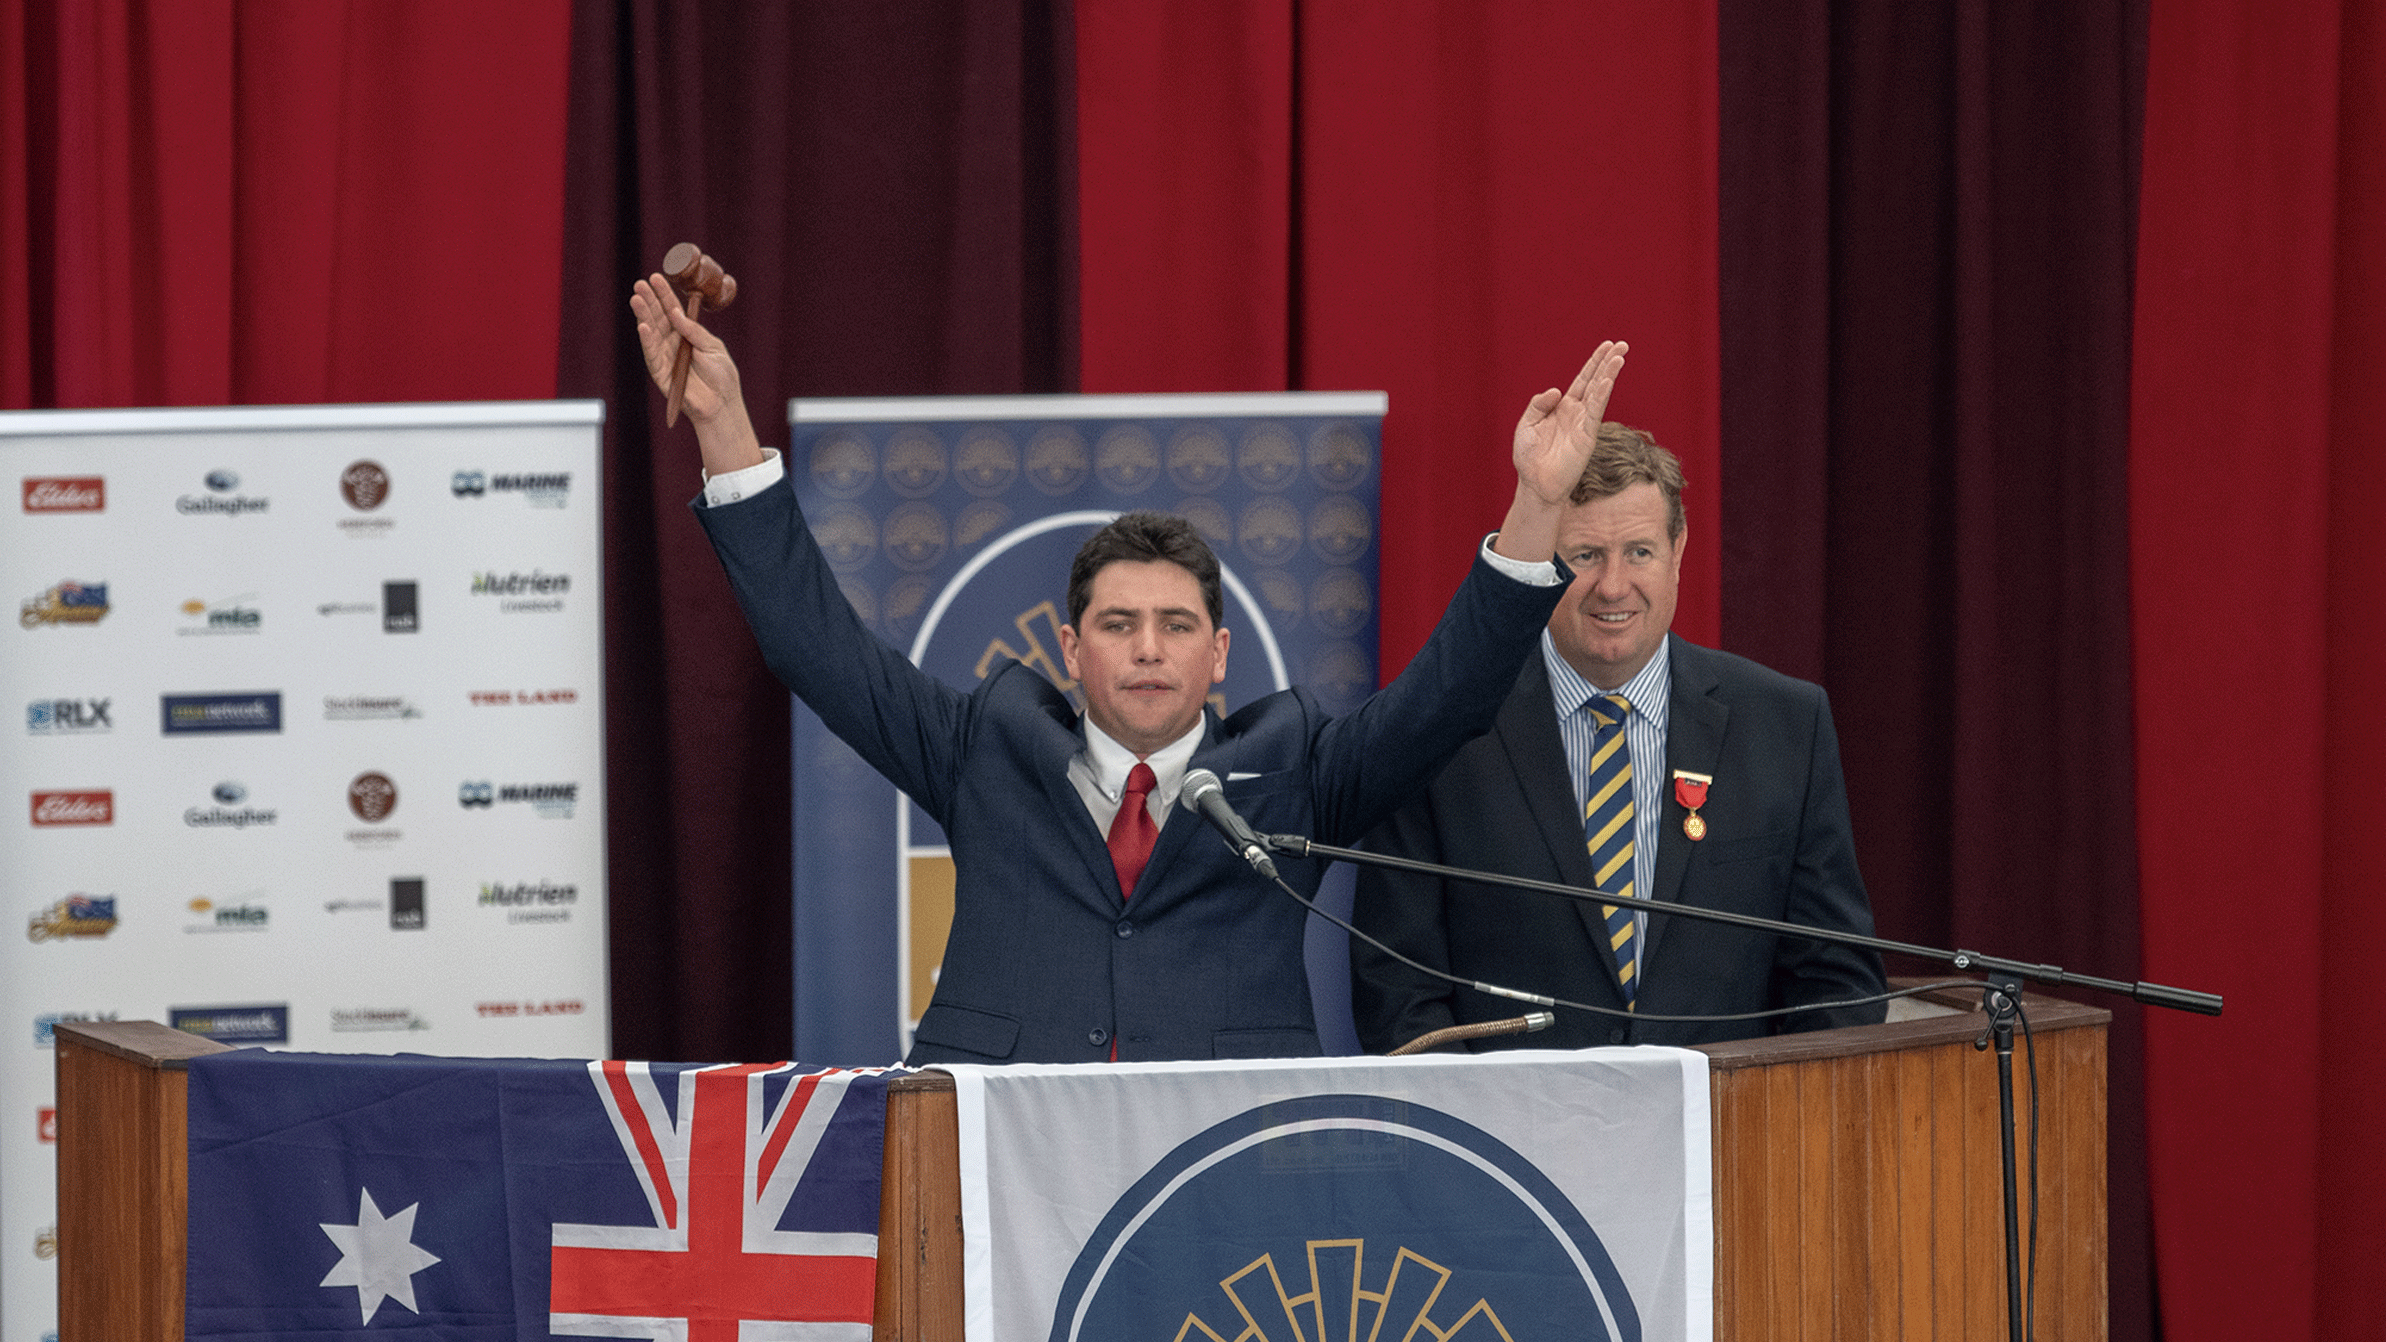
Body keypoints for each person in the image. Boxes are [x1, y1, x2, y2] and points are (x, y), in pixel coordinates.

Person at [631, 271, 1627, 1065]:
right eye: (1117, 623)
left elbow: (1449, 698)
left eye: (1174, 623)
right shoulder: (986, 750)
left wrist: (1536, 506)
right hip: (1001, 1155)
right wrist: (725, 432)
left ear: (1218, 652)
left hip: (1223, 1155)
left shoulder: (1296, 770)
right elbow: (818, 646)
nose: (1148, 646)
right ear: (1069, 650)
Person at [1349, 423, 1887, 1052]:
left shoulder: (1785, 724)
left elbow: (1837, 982)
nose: (1612, 585)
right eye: (1584, 557)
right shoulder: (1444, 728)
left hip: (1729, 1134)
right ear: (1546, 558)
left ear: (1678, 549)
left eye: (1638, 552)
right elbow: (1397, 992)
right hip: (1515, 1139)